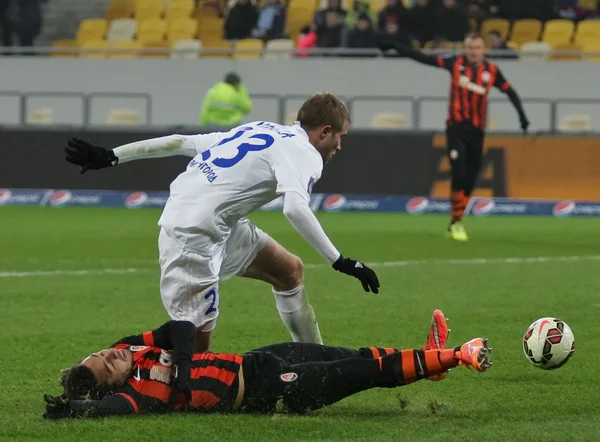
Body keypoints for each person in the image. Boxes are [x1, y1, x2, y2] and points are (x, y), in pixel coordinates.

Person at [63, 93, 380, 355]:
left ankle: (316, 361)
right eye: (340, 137)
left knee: (288, 271)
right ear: (324, 131)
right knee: (197, 355)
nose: (339, 145)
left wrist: (112, 156)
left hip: (219, 222)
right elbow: (295, 208)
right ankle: (103, 369)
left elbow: (179, 142)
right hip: (192, 234)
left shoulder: (262, 128)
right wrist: (341, 262)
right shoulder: (305, 153)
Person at [42, 311, 492, 419]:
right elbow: (104, 412)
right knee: (362, 374)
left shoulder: (132, 350)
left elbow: (180, 328)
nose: (111, 354)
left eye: (101, 353)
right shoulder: (136, 395)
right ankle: (459, 355)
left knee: (351, 355)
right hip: (272, 390)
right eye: (106, 365)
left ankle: (429, 360)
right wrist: (72, 408)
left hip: (259, 360)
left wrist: (181, 368)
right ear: (112, 385)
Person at [387, 34, 529, 241]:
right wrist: (396, 45)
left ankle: (457, 220)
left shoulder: (492, 71)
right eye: (470, 48)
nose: (473, 52)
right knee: (459, 170)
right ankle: (455, 223)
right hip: (455, 128)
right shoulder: (455, 63)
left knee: (471, 177)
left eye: (477, 48)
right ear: (466, 49)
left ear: (484, 50)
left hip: (477, 132)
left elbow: (510, 92)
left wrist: (522, 117)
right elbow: (424, 58)